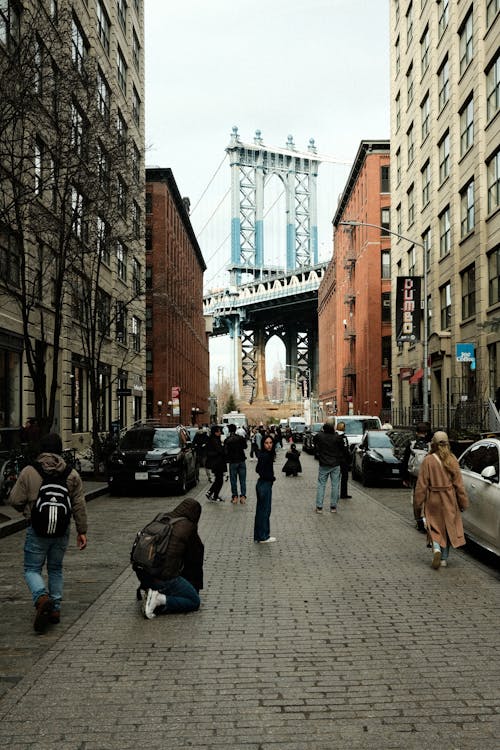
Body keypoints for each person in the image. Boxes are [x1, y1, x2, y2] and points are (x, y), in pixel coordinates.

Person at [9, 432, 87, 632]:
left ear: (41, 450)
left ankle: (41, 597)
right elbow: (78, 505)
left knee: (32, 569)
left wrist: (28, 511)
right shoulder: (71, 474)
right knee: (55, 568)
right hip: (61, 530)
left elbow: (15, 500)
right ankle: (55, 609)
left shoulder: (29, 471)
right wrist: (82, 531)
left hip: (37, 529)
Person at [413, 431, 469, 569]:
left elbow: (421, 485)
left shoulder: (428, 460)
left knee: (434, 526)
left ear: (433, 444)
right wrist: (463, 502)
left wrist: (418, 503)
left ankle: (436, 547)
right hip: (449, 497)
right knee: (448, 527)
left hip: (433, 498)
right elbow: (459, 485)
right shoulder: (452, 459)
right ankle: (443, 559)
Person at [140, 498, 204, 618]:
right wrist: (194, 588)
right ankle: (159, 599)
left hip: (144, 574)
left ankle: (151, 591)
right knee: (194, 601)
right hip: (164, 578)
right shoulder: (188, 526)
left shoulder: (161, 517)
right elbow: (195, 559)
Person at [401, 422, 430, 533]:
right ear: (426, 433)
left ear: (416, 432)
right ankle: (427, 519)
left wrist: (404, 477)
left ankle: (419, 522)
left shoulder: (411, 444)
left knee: (416, 498)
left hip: (414, 476)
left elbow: (405, 461)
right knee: (427, 498)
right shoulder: (430, 445)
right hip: (427, 476)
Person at [314, 416, 346, 513]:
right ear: (334, 426)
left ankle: (319, 507)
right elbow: (342, 450)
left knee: (321, 485)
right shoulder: (337, 437)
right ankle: (333, 507)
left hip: (324, 463)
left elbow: (315, 442)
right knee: (335, 485)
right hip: (335, 464)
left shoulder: (320, 436)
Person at [254, 434, 277, 543]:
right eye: (266, 443)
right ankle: (263, 536)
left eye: (270, 443)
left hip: (262, 484)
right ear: (263, 444)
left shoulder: (264, 454)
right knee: (265, 511)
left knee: (261, 511)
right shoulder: (266, 455)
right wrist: (271, 477)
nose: (269, 445)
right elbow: (259, 470)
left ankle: (259, 536)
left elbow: (258, 469)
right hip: (264, 484)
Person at [224, 423, 247, 504]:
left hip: (233, 462)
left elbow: (225, 452)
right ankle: (243, 497)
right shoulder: (240, 438)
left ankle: (235, 497)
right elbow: (245, 446)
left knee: (233, 480)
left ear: (229, 430)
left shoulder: (227, 440)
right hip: (241, 460)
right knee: (243, 480)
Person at [205, 425, 226, 502]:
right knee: (219, 480)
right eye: (218, 431)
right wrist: (223, 447)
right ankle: (213, 495)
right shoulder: (214, 440)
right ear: (215, 432)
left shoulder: (214, 439)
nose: (220, 432)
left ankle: (211, 493)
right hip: (217, 463)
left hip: (217, 463)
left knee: (218, 480)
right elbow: (220, 450)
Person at [335, 421, 352, 499]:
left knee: (335, 478)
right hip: (343, 460)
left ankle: (335, 493)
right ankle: (343, 494)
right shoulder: (343, 437)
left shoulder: (334, 436)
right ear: (343, 428)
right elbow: (346, 449)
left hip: (335, 460)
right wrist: (349, 458)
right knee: (344, 477)